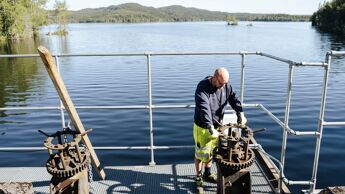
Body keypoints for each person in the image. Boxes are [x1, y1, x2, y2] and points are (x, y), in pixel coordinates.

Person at [193, 67, 247, 193]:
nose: (223, 86)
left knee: (211, 151)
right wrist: (210, 127)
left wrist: (240, 112)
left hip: (217, 126)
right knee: (201, 154)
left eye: (225, 83)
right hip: (203, 127)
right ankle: (198, 178)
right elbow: (204, 108)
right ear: (214, 77)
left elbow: (233, 98)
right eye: (221, 83)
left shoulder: (226, 86)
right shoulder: (202, 87)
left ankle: (207, 173)